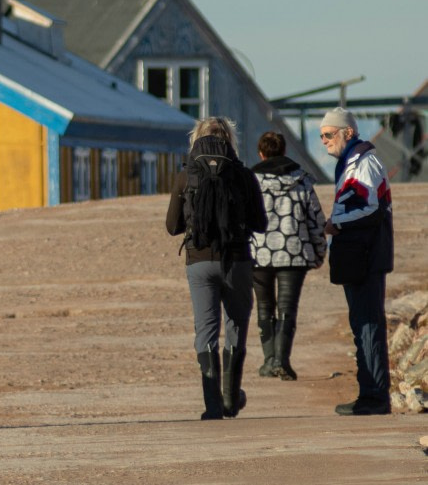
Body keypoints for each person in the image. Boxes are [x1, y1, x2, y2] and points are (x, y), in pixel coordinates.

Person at [166, 117, 267, 420]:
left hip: (198, 262)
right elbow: (261, 224)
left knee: (206, 331)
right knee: (236, 326)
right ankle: (230, 400)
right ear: (229, 140)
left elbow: (172, 226)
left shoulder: (186, 176)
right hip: (236, 261)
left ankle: (212, 407)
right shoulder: (244, 175)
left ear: (196, 139)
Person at [319, 108, 394, 415]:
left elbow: (370, 207)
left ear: (347, 133)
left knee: (368, 326)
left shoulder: (363, 163)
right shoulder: (353, 163)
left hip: (366, 257)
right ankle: (370, 392)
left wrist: (337, 221)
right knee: (362, 324)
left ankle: (375, 396)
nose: (324, 141)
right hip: (357, 257)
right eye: (321, 135)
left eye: (328, 135)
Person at [249, 131, 327, 381]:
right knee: (287, 309)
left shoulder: (251, 181)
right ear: (284, 152)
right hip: (294, 253)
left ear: (261, 154)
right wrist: (319, 252)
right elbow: (316, 219)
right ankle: (283, 361)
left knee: (264, 307)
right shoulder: (302, 180)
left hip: (258, 253)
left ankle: (269, 360)